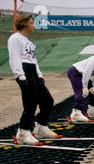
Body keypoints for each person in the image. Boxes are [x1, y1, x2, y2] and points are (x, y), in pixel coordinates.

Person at [7, 14, 60, 145]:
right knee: (31, 103)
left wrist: (39, 75)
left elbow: (33, 60)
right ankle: (23, 133)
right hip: (24, 71)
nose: (33, 25)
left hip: (33, 71)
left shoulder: (28, 41)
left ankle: (41, 128)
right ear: (24, 24)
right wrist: (21, 76)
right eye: (31, 23)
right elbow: (15, 58)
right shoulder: (15, 38)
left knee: (47, 100)